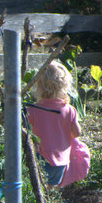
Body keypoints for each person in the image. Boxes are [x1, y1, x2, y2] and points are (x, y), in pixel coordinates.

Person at [25, 60, 83, 189]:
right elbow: (77, 133)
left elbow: (24, 132)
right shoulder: (69, 110)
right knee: (51, 190)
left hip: (40, 160)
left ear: (39, 85)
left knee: (37, 189)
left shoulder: (33, 110)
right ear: (64, 86)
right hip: (61, 162)